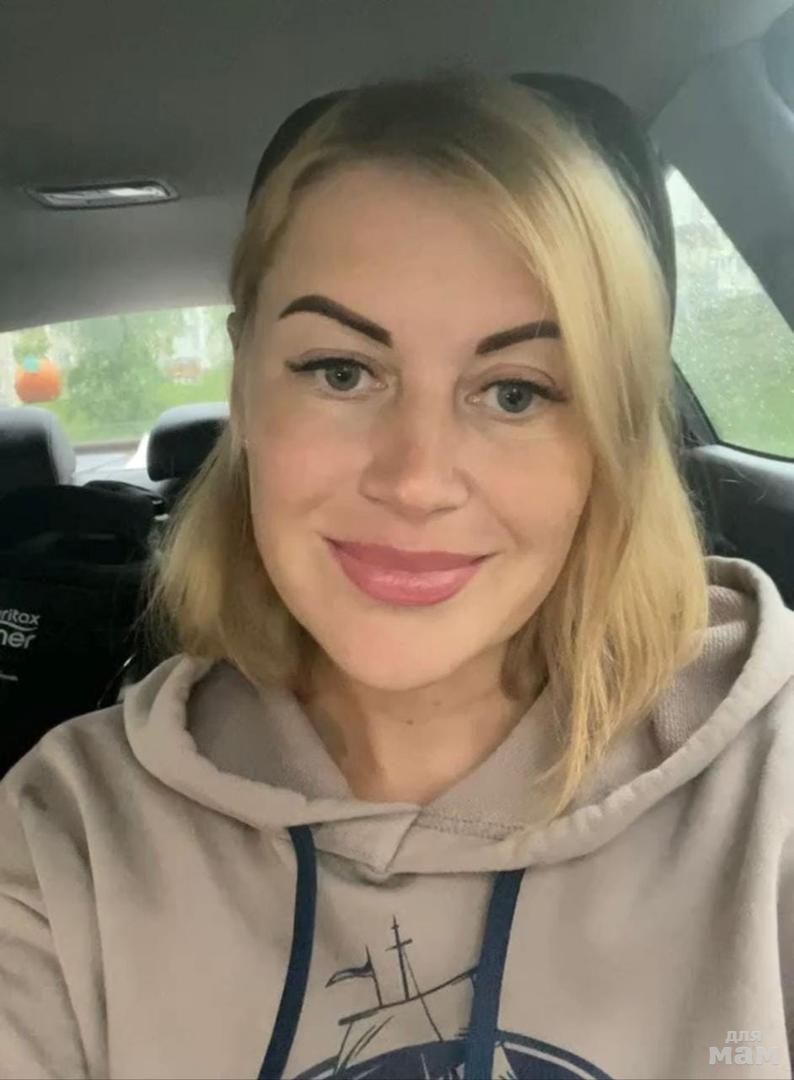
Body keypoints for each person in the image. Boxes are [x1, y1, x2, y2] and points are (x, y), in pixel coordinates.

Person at [1, 72, 792, 1080]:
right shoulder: (66, 837)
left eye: (515, 392)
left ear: (611, 432)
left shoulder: (768, 784)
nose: (416, 480)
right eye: (340, 371)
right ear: (245, 385)